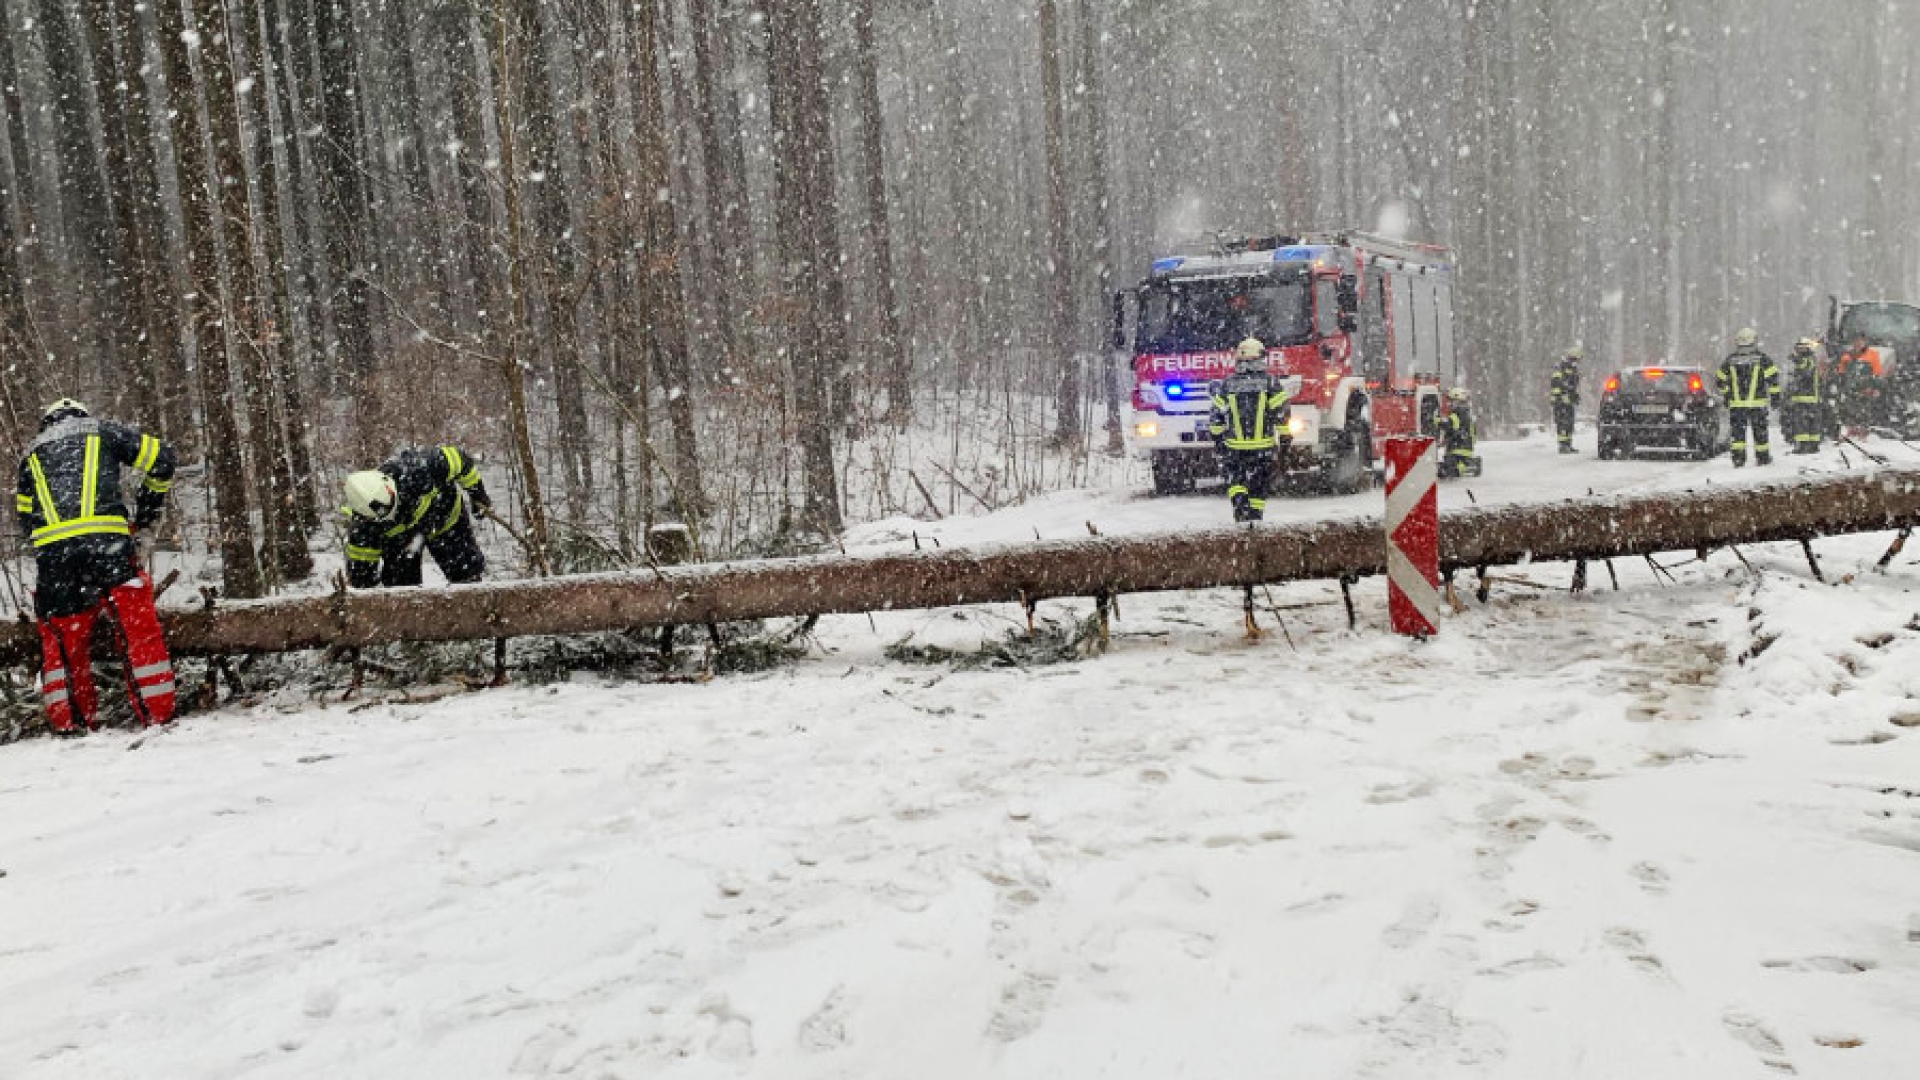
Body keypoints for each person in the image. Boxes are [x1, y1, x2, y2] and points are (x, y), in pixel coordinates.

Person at [14, 398, 178, 735]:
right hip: (109, 545)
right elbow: (163, 459)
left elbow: (26, 517)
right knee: (136, 628)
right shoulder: (104, 431)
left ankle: (72, 721)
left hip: (55, 556)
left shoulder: (30, 456)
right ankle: (156, 713)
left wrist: (57, 545)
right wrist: (147, 511)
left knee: (63, 640)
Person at [342, 445, 494, 588]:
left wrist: (477, 493)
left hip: (444, 518)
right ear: (367, 517)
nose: (393, 510)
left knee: (466, 574)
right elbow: (361, 578)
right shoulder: (364, 530)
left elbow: (461, 460)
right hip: (402, 542)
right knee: (401, 594)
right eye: (385, 511)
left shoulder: (419, 468)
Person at [1207, 337, 1291, 522]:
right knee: (1259, 485)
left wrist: (1218, 441)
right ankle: (1255, 519)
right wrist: (1284, 443)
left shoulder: (1226, 384)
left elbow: (1216, 418)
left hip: (1234, 448)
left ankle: (1240, 508)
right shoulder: (1271, 383)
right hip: (1263, 448)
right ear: (1260, 359)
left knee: (1236, 481)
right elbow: (1282, 415)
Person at [1716, 327, 1780, 467]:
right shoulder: (1763, 359)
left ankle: (1738, 459)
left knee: (1738, 436)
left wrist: (1727, 394)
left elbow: (1720, 379)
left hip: (1737, 406)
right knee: (1760, 433)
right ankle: (1763, 458)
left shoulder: (1730, 360)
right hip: (1757, 405)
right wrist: (1775, 397)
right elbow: (1773, 379)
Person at [1833, 333, 1886, 437]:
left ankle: (1863, 433)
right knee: (1849, 411)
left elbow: (1877, 373)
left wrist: (1876, 388)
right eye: (1856, 341)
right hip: (1850, 389)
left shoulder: (1872, 354)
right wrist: (1839, 386)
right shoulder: (1846, 355)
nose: (1858, 343)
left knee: (1864, 412)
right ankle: (1851, 431)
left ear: (1865, 342)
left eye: (1860, 341)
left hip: (1866, 389)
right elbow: (1841, 373)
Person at [1782, 337, 1825, 454]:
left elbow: (1804, 370)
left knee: (1801, 422)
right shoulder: (1811, 359)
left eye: (1801, 348)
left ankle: (1803, 446)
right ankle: (1813, 445)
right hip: (1811, 397)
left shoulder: (1807, 359)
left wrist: (1796, 360)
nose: (1798, 350)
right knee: (1812, 422)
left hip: (1804, 397)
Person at [1438, 386, 1482, 478]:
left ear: (1456, 401)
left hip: (1457, 450)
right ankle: (1469, 465)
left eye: (1451, 402)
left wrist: (1435, 420)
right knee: (1451, 468)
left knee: (1448, 471)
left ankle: (1466, 466)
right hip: (1465, 449)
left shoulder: (1457, 414)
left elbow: (1448, 425)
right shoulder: (1467, 415)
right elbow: (1473, 434)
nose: (1449, 404)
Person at [1548, 347, 1583, 453]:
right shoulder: (1561, 367)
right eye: (1576, 359)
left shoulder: (1572, 369)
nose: (1577, 362)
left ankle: (1568, 444)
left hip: (1568, 401)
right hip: (1560, 401)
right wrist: (1563, 396)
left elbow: (1572, 385)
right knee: (1562, 423)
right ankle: (1563, 445)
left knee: (1569, 423)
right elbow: (1557, 384)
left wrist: (1574, 395)